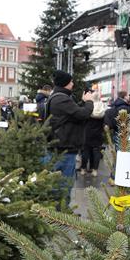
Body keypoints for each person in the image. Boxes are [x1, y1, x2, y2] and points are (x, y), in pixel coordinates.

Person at [44, 70, 95, 204]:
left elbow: (72, 114)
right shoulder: (61, 98)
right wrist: (89, 102)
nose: (73, 84)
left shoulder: (58, 97)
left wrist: (83, 102)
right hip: (64, 148)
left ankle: (59, 211)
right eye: (71, 81)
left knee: (59, 184)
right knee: (64, 185)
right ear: (66, 83)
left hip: (60, 146)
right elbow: (83, 114)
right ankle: (61, 214)